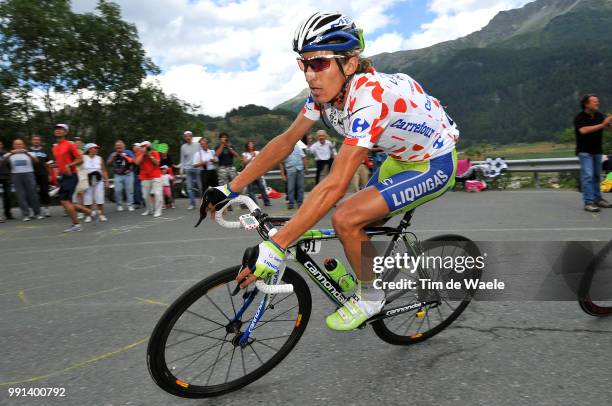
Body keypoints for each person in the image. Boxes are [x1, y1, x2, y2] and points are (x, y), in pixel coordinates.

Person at [199, 12, 459, 331]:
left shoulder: (367, 97)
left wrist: (278, 243)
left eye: (319, 63)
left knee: (346, 218)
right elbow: (285, 141)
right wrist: (231, 188)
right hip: (397, 158)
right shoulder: (325, 94)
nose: (310, 74)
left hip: (433, 163)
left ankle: (372, 296)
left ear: (349, 63)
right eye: (304, 64)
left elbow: (336, 182)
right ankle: (369, 269)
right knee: (358, 220)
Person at [52, 124, 97, 232]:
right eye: (56, 129)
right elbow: (61, 163)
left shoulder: (69, 144)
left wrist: (69, 165)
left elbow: (80, 159)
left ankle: (76, 225)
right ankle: (92, 213)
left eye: (61, 129)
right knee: (68, 203)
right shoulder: (55, 148)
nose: (58, 131)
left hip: (71, 176)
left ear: (65, 132)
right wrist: (54, 166)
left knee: (65, 202)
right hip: (63, 177)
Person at [574, 94, 612, 212]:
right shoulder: (579, 117)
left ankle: (597, 199)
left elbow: (608, 128)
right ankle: (589, 202)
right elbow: (584, 130)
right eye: (594, 101)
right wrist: (602, 124)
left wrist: (609, 123)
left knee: (596, 176)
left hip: (597, 151)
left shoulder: (599, 115)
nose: (597, 103)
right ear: (586, 104)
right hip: (585, 151)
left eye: (597, 101)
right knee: (588, 176)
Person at [1, 139, 43, 220]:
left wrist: (27, 153)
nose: (18, 146)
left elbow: (37, 162)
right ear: (13, 146)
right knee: (21, 195)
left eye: (20, 144)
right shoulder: (9, 154)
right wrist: (10, 154)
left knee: (33, 194)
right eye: (16, 144)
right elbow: (2, 164)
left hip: (29, 173)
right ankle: (26, 214)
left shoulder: (30, 152)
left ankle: (37, 213)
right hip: (16, 175)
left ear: (23, 145)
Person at [135, 141, 163, 217]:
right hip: (144, 176)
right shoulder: (139, 153)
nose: (145, 148)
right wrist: (143, 154)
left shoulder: (154, 152)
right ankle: (149, 209)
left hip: (155, 175)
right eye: (143, 146)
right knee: (145, 195)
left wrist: (150, 155)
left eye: (146, 146)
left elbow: (157, 163)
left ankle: (158, 211)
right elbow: (137, 163)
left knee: (157, 193)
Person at [82, 143, 109, 222]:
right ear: (89, 149)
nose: (96, 149)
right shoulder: (83, 157)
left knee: (99, 198)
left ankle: (101, 215)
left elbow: (104, 170)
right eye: (94, 148)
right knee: (87, 198)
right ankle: (88, 215)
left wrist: (106, 180)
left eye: (97, 148)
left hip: (98, 180)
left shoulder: (100, 158)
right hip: (87, 180)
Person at [107, 140, 135, 211]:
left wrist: (124, 156)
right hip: (118, 175)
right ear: (115, 147)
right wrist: (113, 158)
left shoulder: (128, 152)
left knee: (129, 190)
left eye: (120, 145)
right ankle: (119, 205)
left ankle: (130, 205)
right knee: (117, 190)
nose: (118, 146)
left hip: (128, 174)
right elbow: (108, 163)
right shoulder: (113, 154)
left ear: (123, 146)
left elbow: (133, 161)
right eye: (117, 145)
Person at [242, 140, 271, 207]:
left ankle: (267, 202)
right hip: (249, 173)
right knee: (251, 190)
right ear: (247, 146)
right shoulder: (245, 154)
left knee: (262, 187)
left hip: (257, 172)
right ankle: (254, 204)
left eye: (252, 144)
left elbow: (261, 160)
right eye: (249, 144)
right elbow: (244, 162)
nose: (251, 145)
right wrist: (252, 157)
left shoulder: (257, 152)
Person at [29, 135, 52, 217]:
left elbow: (49, 164)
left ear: (40, 141)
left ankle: (46, 210)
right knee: (32, 192)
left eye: (38, 140)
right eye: (34, 140)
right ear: (31, 141)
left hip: (43, 174)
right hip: (31, 174)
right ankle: (32, 210)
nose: (36, 141)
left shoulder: (45, 150)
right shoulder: (28, 150)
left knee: (44, 192)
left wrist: (49, 175)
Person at [280, 142, 307, 209]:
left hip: (300, 169)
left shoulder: (298, 147)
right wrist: (283, 174)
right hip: (290, 170)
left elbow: (303, 157)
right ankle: (291, 203)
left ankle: (300, 202)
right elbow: (281, 162)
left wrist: (306, 168)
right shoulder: (284, 149)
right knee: (290, 188)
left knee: (300, 187)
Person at [180, 131, 202, 210]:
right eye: (186, 136)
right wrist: (181, 169)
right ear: (184, 137)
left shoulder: (198, 145)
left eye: (189, 136)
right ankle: (192, 204)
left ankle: (203, 202)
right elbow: (182, 159)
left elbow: (201, 155)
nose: (188, 137)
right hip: (188, 169)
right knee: (189, 188)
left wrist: (202, 166)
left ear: (192, 137)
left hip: (198, 168)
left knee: (201, 187)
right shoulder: (183, 147)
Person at [0, 141, 13, 220]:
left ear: (2, 145)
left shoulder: (7, 153)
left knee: (7, 196)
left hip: (6, 176)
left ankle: (8, 213)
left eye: (0, 144)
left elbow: (11, 165)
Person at [132, 143, 143, 208]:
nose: (133, 147)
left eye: (135, 146)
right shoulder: (135, 154)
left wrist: (139, 173)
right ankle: (141, 201)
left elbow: (137, 163)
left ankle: (138, 202)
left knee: (138, 188)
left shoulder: (139, 153)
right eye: (133, 147)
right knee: (138, 188)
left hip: (139, 173)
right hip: (136, 173)